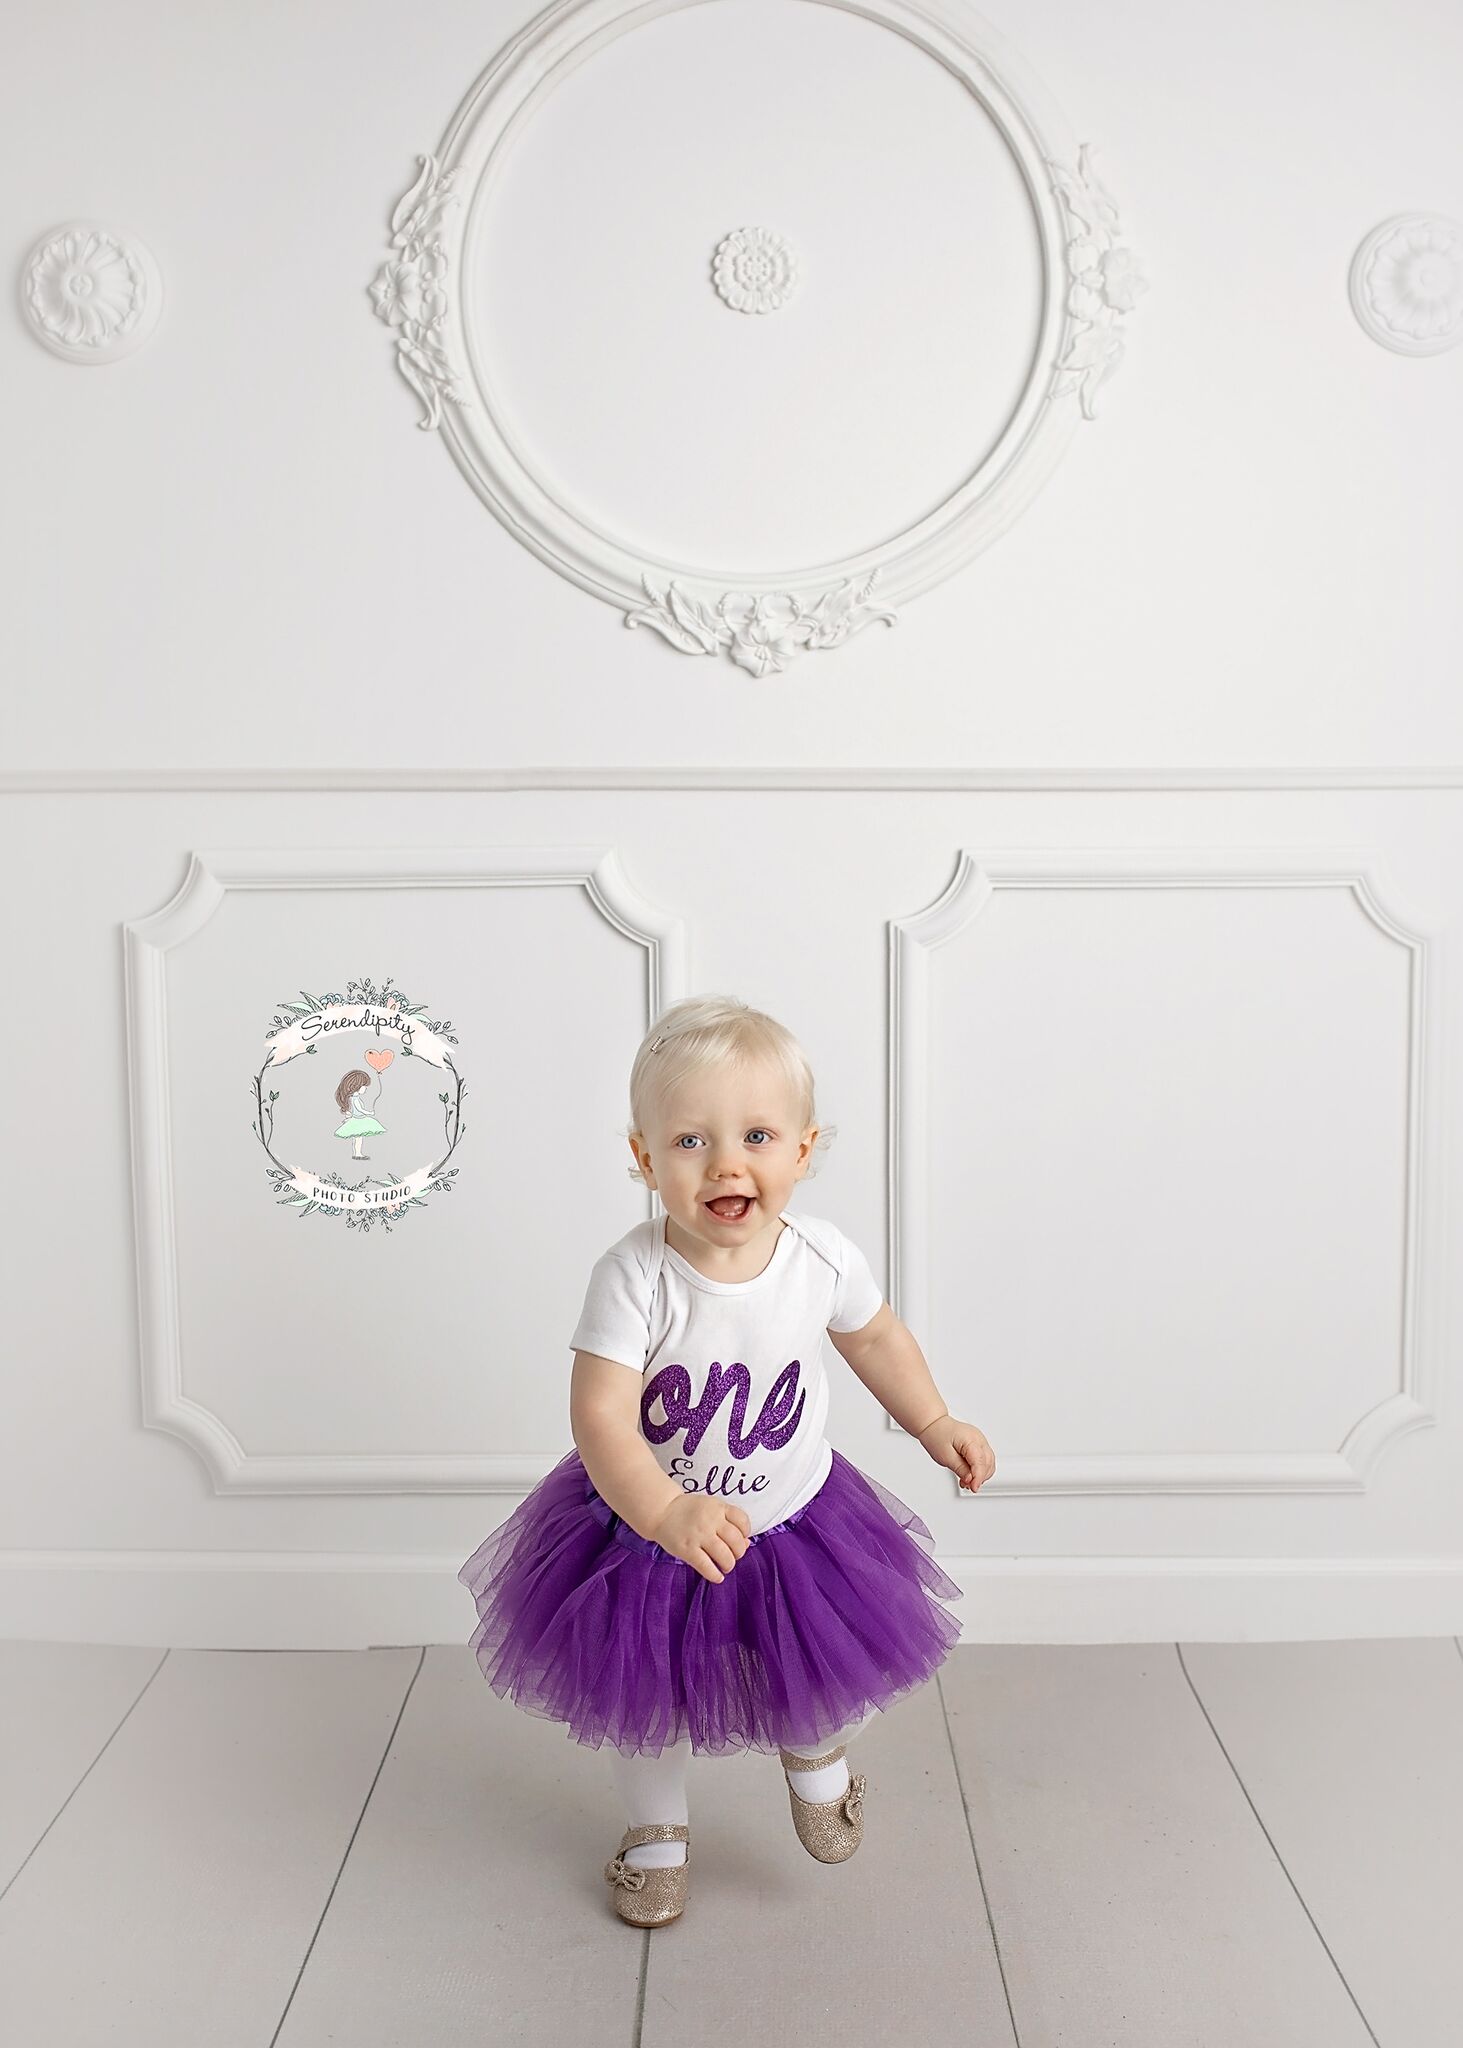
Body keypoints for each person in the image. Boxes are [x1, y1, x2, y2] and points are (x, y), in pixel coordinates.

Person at [457, 994, 995, 1927]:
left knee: (818, 1660)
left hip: (793, 1520)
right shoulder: (634, 1275)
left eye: (756, 1135)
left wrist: (931, 1418)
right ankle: (657, 1833)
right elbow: (600, 1415)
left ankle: (815, 1755)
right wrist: (663, 1510)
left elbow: (874, 1339)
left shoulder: (820, 1257)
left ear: (803, 1149)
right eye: (690, 1141)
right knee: (645, 1698)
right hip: (646, 1533)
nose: (726, 1163)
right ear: (644, 1159)